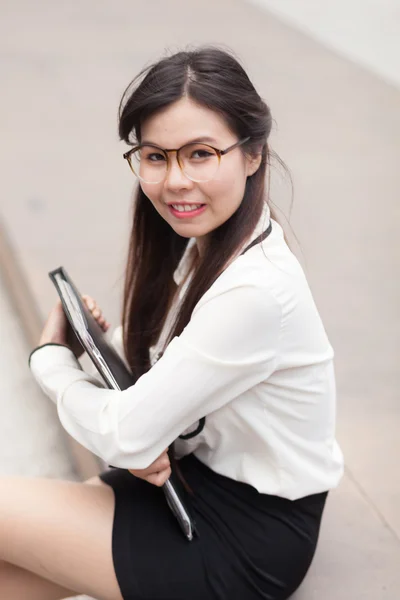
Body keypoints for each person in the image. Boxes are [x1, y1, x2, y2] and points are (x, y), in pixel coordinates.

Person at [2, 46, 343, 600]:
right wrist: (99, 345)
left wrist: (50, 362)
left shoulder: (255, 290)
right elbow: (174, 365)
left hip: (245, 539)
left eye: (201, 153)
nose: (175, 180)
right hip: (190, 484)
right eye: (156, 157)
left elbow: (129, 436)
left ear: (253, 154)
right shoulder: (211, 245)